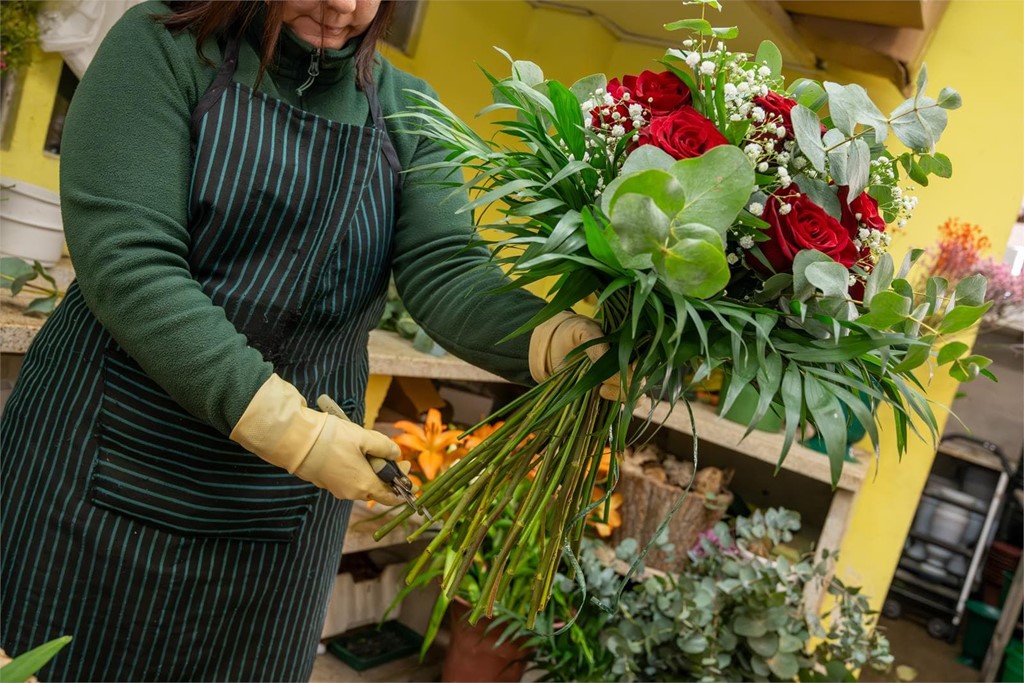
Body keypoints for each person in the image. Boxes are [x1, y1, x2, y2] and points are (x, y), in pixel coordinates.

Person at [0, 1, 615, 680]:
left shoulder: (406, 110)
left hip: (279, 508)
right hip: (106, 462)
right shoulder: (161, 48)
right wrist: (291, 430)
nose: (343, 4)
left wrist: (561, 341)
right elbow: (130, 261)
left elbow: (447, 269)